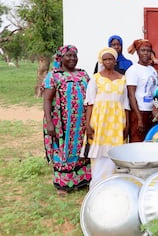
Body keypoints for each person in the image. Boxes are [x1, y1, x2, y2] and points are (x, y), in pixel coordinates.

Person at [42, 45, 91, 195]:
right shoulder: (54, 75)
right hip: (61, 124)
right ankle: (63, 184)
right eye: (68, 56)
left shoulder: (83, 74)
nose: (72, 59)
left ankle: (81, 180)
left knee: (81, 149)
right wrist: (49, 122)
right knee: (63, 149)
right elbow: (47, 100)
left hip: (81, 122)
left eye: (74, 56)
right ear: (61, 58)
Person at [82, 48, 130, 189]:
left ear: (115, 61)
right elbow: (90, 103)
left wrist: (126, 124)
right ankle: (98, 186)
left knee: (115, 151)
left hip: (117, 120)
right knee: (99, 152)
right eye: (106, 59)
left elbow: (125, 103)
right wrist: (88, 125)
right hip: (100, 119)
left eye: (111, 59)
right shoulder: (96, 79)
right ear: (101, 61)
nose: (108, 61)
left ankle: (113, 185)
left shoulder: (122, 79)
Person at [125, 39, 158, 142]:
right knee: (138, 141)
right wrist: (139, 118)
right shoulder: (133, 70)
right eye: (142, 50)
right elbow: (131, 95)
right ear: (137, 52)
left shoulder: (152, 70)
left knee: (150, 141)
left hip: (151, 113)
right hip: (139, 112)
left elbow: (156, 91)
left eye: (148, 50)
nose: (145, 53)